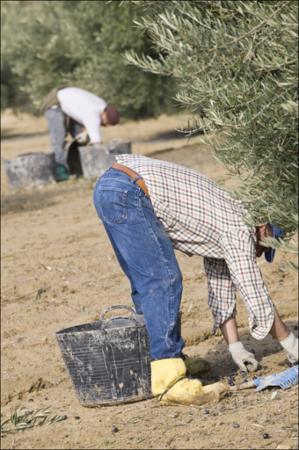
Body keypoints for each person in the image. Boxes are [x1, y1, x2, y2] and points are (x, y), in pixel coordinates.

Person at [93, 154, 298, 406]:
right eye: (263, 248)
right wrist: (291, 343)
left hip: (112, 187)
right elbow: (253, 289)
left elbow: (220, 286)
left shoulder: (226, 218)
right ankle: (170, 381)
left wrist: (235, 346)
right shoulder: (240, 229)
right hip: (130, 191)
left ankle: (167, 360)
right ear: (264, 230)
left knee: (145, 282)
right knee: (162, 280)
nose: (258, 254)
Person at [42, 86, 119, 182]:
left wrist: (85, 133)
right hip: (55, 102)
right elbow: (96, 141)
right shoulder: (94, 114)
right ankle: (60, 170)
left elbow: (82, 113)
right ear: (104, 115)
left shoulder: (102, 105)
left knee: (80, 138)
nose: (103, 125)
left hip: (67, 104)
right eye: (106, 123)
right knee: (58, 139)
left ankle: (79, 167)